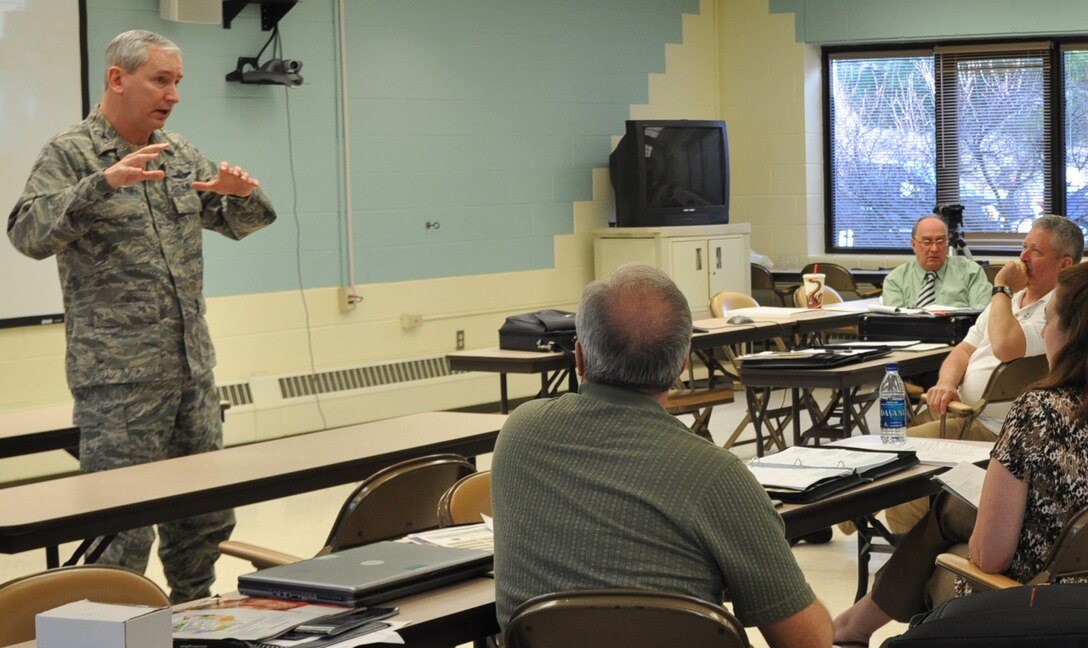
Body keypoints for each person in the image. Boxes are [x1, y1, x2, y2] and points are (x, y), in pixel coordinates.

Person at [7, 30, 276, 603]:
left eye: (178, 81)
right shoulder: (72, 153)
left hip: (191, 372)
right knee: (119, 528)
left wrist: (243, 195)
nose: (174, 94)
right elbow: (27, 234)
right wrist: (100, 186)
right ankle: (111, 629)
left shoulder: (177, 152)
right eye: (161, 79)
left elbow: (241, 221)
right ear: (117, 78)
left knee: (204, 515)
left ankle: (196, 615)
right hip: (119, 383)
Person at [491, 264, 833, 648]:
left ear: (580, 358)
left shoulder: (519, 433)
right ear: (682, 363)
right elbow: (808, 641)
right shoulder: (716, 475)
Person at [832, 261, 1088, 647]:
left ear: (1072, 333)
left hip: (1042, 599)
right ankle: (859, 621)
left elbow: (991, 559)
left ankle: (862, 621)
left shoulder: (1039, 411)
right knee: (953, 508)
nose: (1045, 332)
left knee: (945, 547)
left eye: (1049, 322)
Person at [884, 215, 1083, 534]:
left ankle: (905, 544)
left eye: (1035, 251)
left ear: (1064, 264)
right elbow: (963, 349)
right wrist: (947, 382)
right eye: (1023, 247)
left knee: (897, 455)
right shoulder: (1011, 300)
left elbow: (1005, 345)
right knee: (880, 446)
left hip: (989, 426)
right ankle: (901, 537)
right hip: (955, 411)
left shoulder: (1059, 312)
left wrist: (1001, 288)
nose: (1023, 258)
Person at [881, 215, 990, 309]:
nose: (934, 249)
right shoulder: (895, 280)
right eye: (927, 242)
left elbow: (982, 317)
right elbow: (895, 325)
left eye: (940, 241)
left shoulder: (971, 272)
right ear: (914, 245)